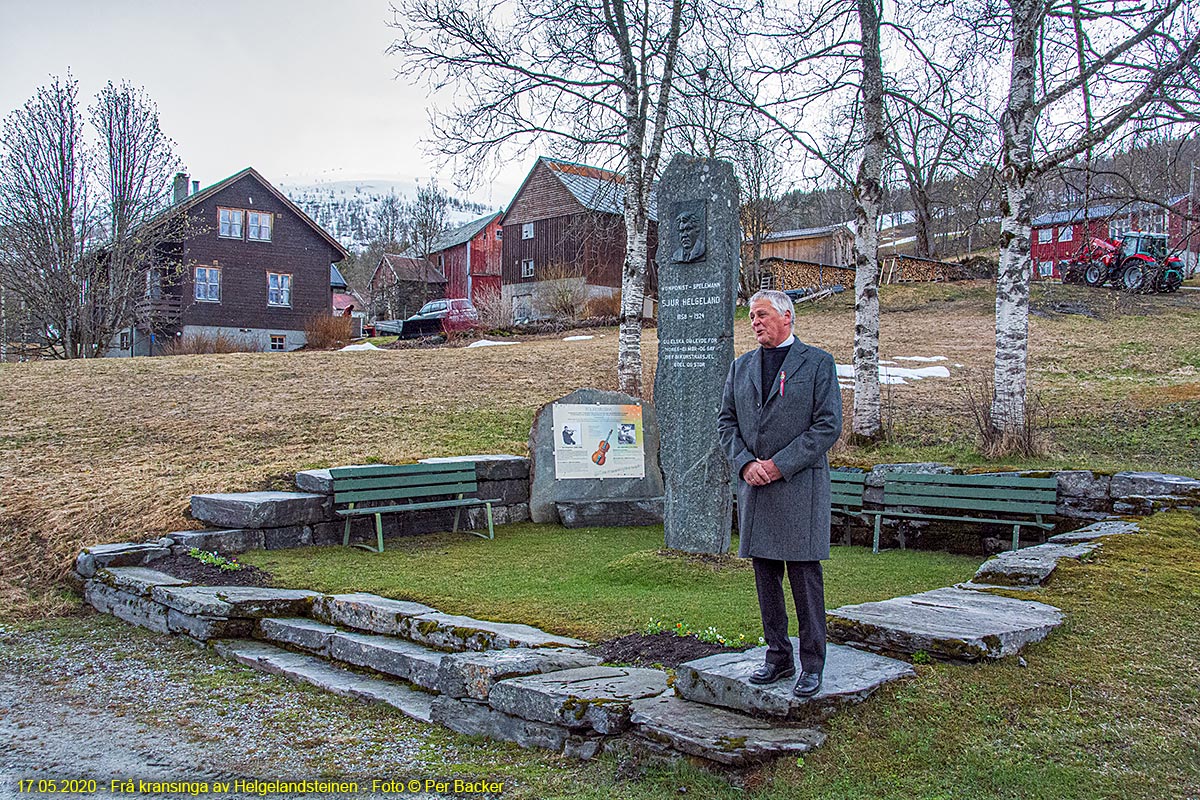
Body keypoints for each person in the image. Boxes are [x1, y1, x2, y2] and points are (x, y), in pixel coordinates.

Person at [716, 289, 843, 698]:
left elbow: (827, 426)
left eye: (763, 315)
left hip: (799, 487)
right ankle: (777, 656)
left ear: (787, 317)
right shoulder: (741, 366)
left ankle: (812, 664)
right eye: (752, 316)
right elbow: (726, 423)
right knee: (766, 578)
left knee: (805, 580)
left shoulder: (818, 363)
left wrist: (778, 465)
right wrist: (746, 464)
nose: (755, 322)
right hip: (757, 488)